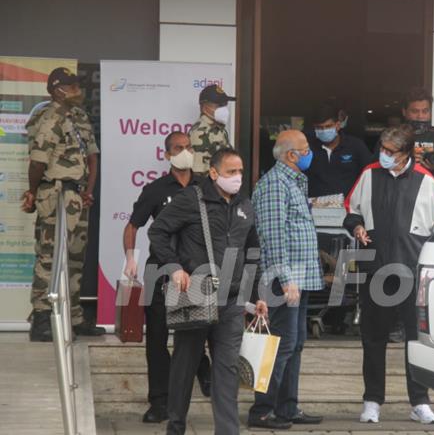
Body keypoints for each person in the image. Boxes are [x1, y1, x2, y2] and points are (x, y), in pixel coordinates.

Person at [148, 148, 265, 435]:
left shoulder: (245, 206)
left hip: (233, 299)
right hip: (195, 294)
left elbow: (252, 252)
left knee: (227, 369)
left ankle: (227, 431)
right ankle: (176, 426)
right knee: (185, 365)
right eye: (230, 172)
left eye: (240, 171)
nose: (237, 178)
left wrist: (256, 295)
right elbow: (157, 232)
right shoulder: (191, 200)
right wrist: (174, 267)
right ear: (214, 173)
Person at [344, 124, 434, 425]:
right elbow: (351, 209)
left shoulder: (426, 180)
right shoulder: (369, 173)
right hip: (375, 268)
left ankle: (420, 401)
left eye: (390, 152)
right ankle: (372, 400)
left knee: (415, 338)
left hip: (411, 270)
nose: (384, 155)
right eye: (382, 150)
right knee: (373, 337)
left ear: (407, 153)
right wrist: (357, 227)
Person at [121, 132, 211, 423]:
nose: (184, 152)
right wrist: (130, 258)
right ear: (167, 155)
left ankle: (204, 370)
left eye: (187, 147)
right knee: (157, 338)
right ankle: (159, 401)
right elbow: (133, 225)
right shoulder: (156, 190)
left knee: (195, 331)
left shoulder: (205, 187)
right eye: (177, 148)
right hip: (159, 271)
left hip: (195, 273)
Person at [21, 67, 105, 341]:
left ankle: (75, 317)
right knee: (50, 256)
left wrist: (88, 190)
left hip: (77, 196)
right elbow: (38, 163)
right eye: (71, 86)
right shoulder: (49, 118)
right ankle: (42, 318)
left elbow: (92, 156)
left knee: (75, 257)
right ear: (57, 89)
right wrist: (33, 192)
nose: (77, 90)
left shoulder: (79, 116)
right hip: (55, 195)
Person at [248, 130, 324, 429]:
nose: (309, 153)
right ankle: (262, 411)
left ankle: (287, 407)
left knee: (295, 344)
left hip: (300, 278)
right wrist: (286, 278)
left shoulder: (294, 181)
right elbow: (272, 236)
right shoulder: (274, 185)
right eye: (305, 149)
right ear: (291, 154)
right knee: (279, 346)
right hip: (284, 279)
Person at [306, 103, 373, 198]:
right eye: (319, 128)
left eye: (328, 126)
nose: (324, 130)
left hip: (349, 207)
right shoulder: (307, 148)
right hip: (316, 208)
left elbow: (369, 175)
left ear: (337, 125)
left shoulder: (355, 146)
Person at [189, 84, 234, 175]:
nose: (224, 109)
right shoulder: (200, 131)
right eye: (219, 105)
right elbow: (198, 174)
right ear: (205, 107)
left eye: (225, 105)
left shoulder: (218, 129)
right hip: (210, 187)